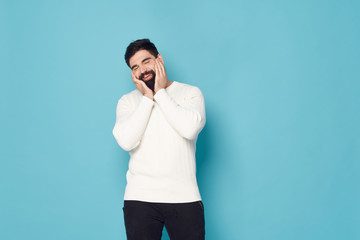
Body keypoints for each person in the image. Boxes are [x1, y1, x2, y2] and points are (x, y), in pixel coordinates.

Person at [112, 38, 206, 240]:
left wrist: (160, 92)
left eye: (146, 61)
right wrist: (147, 97)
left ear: (159, 59)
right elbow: (127, 141)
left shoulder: (190, 93)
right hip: (139, 198)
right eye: (135, 67)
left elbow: (189, 129)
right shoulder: (127, 102)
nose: (142, 70)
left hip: (184, 197)